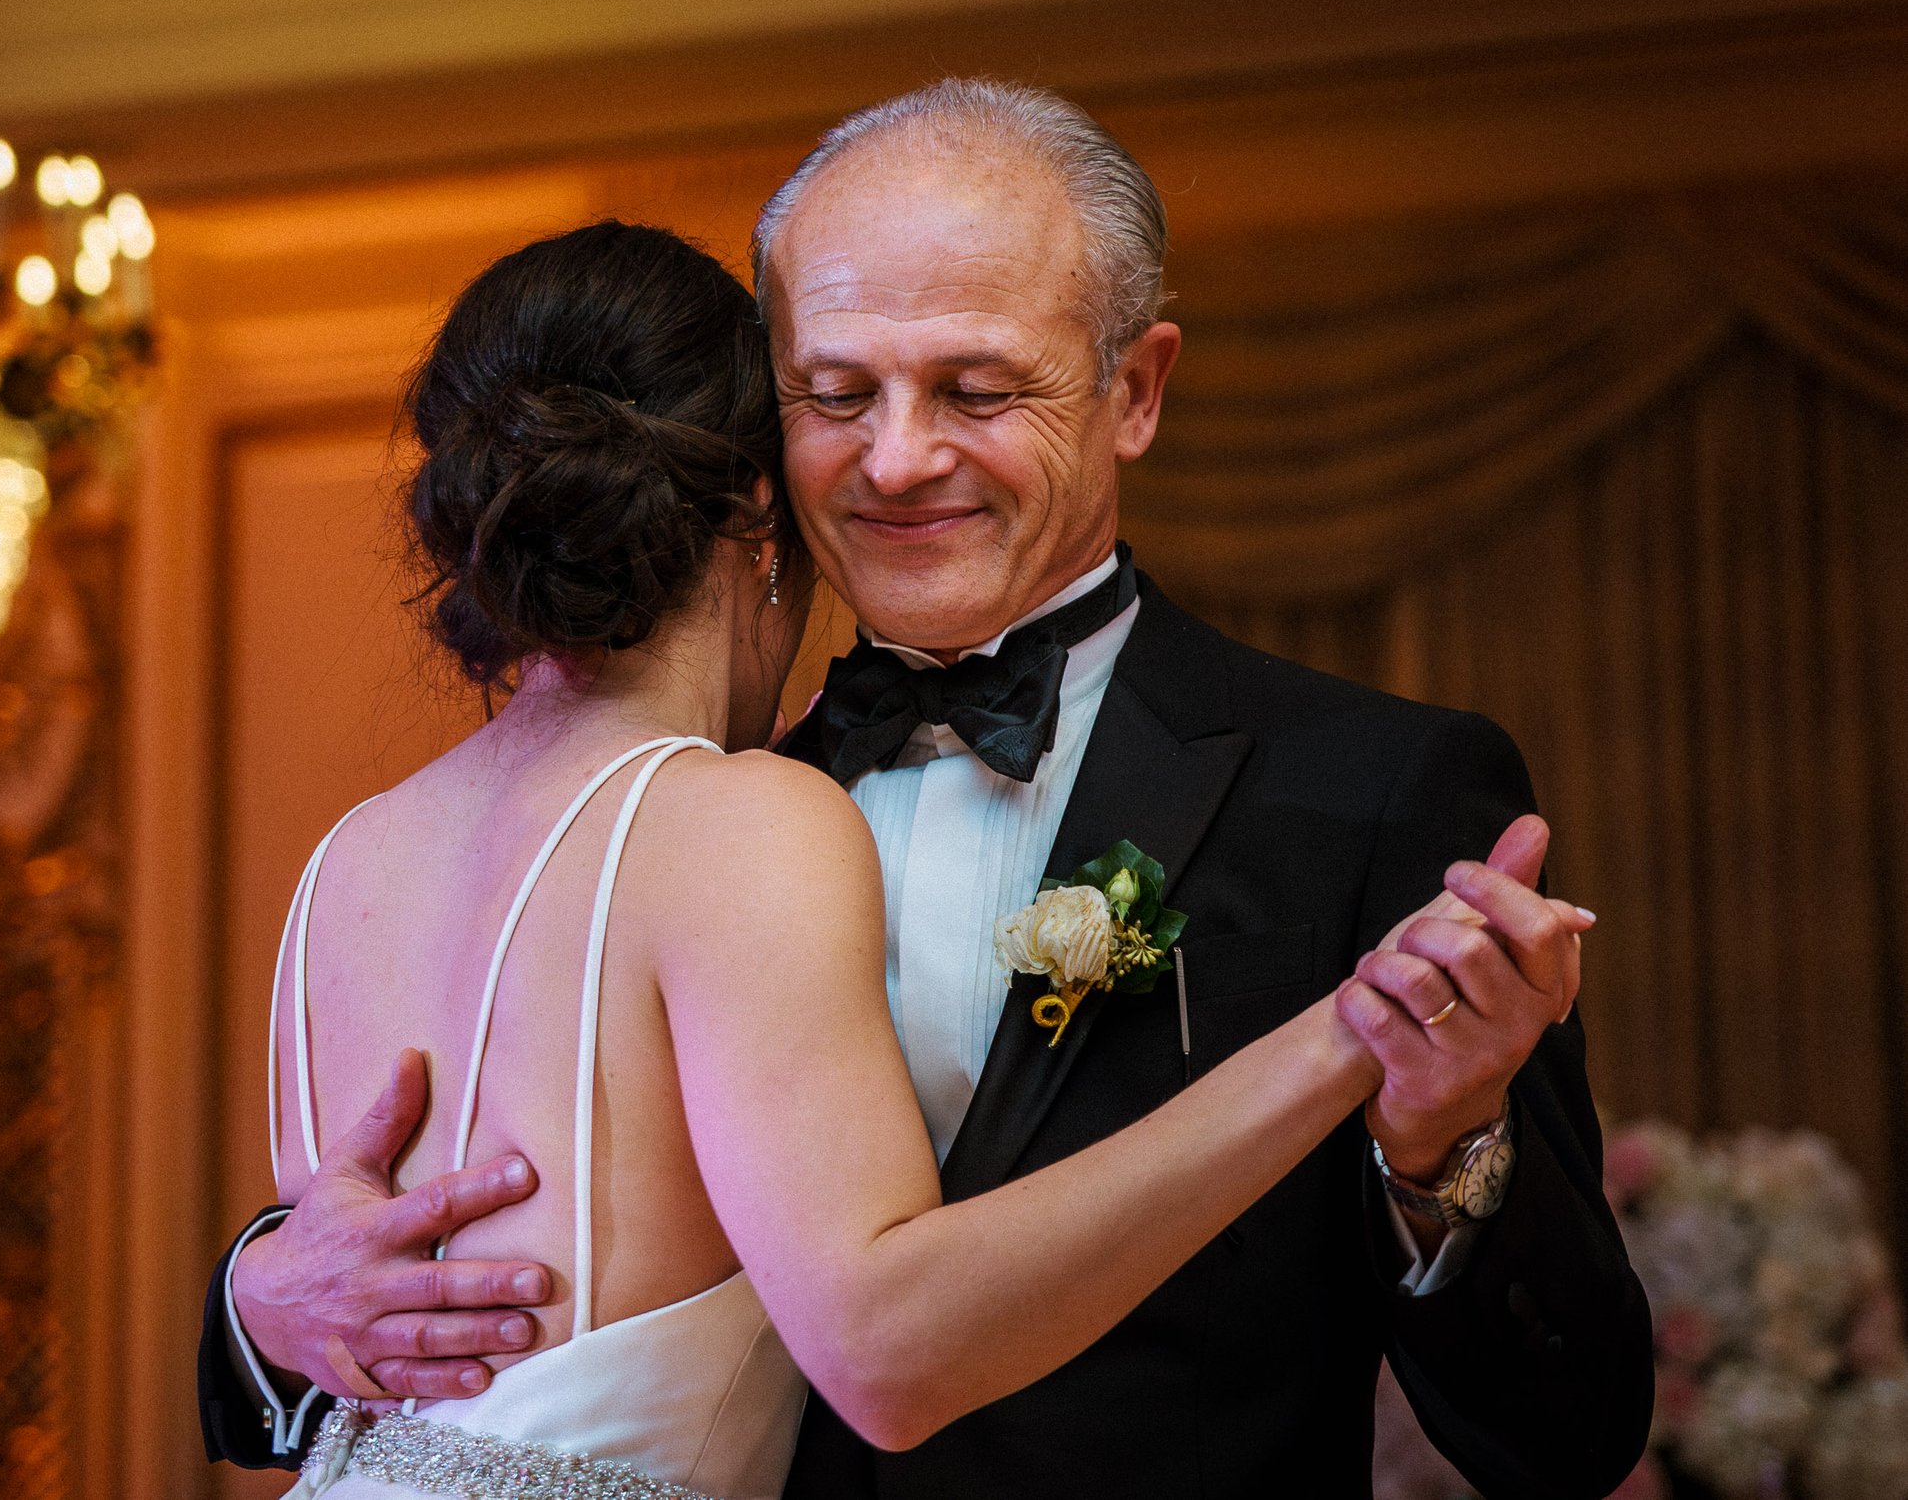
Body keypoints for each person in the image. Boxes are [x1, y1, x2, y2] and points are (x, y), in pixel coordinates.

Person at [206, 84, 1654, 1498]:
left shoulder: (1372, 790)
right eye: (836, 394)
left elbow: (1565, 1438)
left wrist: (1442, 1149)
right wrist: (264, 1301)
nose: (898, 459)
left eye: (975, 390)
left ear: (1133, 390)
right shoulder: (694, 813)